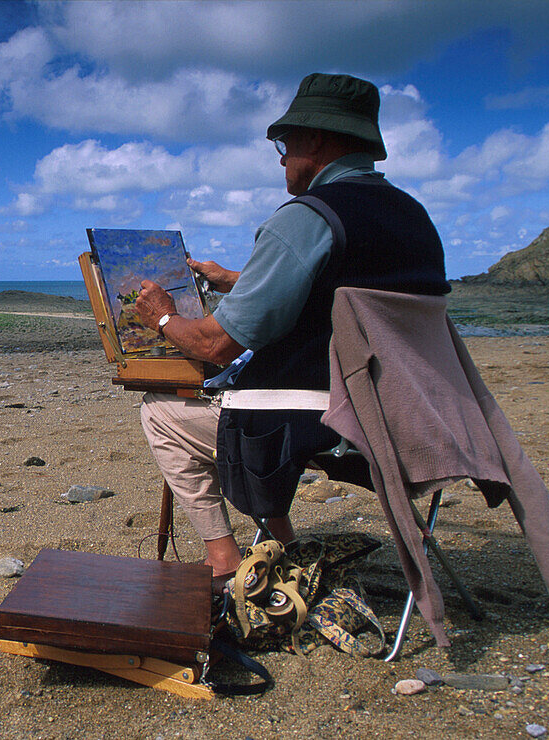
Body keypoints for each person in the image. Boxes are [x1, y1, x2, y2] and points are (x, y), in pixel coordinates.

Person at [134, 72, 450, 582]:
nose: (281, 158)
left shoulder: (306, 217)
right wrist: (238, 280)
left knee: (162, 413)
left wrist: (164, 315)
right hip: (412, 416)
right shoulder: (412, 216)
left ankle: (225, 558)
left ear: (316, 139)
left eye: (285, 144)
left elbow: (215, 345)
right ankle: (284, 546)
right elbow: (337, 294)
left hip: (330, 422)